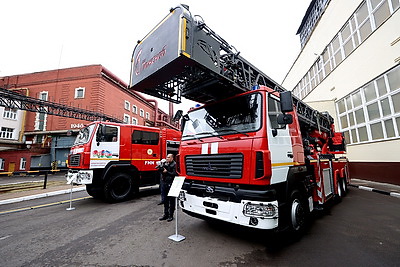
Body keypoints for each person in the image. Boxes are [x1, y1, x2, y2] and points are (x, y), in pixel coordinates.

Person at [158, 154, 177, 222]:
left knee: (171, 200)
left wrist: (167, 172)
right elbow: (161, 172)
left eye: (168, 157)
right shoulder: (165, 164)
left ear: (172, 158)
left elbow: (174, 174)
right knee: (165, 200)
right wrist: (160, 168)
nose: (167, 158)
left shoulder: (174, 164)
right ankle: (165, 214)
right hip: (164, 183)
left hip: (171, 184)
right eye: (166, 157)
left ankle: (171, 215)